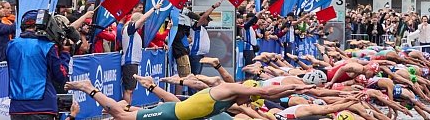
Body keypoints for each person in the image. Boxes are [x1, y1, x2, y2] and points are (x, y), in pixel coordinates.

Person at [64, 79, 312, 120]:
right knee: (121, 115)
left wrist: (295, 92)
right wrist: (302, 86)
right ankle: (89, 89)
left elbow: (272, 95)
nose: (249, 106)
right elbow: (269, 92)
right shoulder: (229, 90)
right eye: (251, 100)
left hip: (179, 112)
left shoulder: (235, 99)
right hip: (174, 113)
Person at [8, 10, 71, 120]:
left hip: (17, 107)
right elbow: (61, 76)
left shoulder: (10, 45)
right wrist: (65, 54)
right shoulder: (47, 46)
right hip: (42, 106)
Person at [119, 6, 155, 101]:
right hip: (129, 62)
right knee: (129, 90)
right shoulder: (130, 29)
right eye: (142, 23)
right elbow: (143, 18)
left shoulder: (133, 32)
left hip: (133, 62)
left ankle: (128, 108)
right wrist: (154, 9)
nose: (143, 25)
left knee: (131, 89)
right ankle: (126, 111)